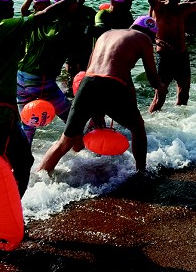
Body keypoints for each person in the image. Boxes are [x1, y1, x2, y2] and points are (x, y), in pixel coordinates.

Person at [0, 0, 90, 253]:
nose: (14, 10)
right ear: (0, 9)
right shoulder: (0, 28)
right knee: (22, 163)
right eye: (10, 6)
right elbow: (46, 15)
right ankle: (4, 220)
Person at [38, 16, 167, 174]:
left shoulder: (106, 34)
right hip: (111, 85)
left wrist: (96, 110)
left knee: (65, 141)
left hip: (87, 84)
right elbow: (153, 79)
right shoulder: (144, 39)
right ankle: (141, 173)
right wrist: (161, 87)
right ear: (151, 34)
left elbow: (92, 68)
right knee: (138, 128)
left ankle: (39, 180)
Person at [16, 0, 83, 144]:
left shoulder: (37, 18)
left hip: (20, 78)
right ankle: (86, 153)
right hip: (41, 80)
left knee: (28, 123)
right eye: (74, 1)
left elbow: (24, 12)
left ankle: (21, 162)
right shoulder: (65, 26)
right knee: (70, 118)